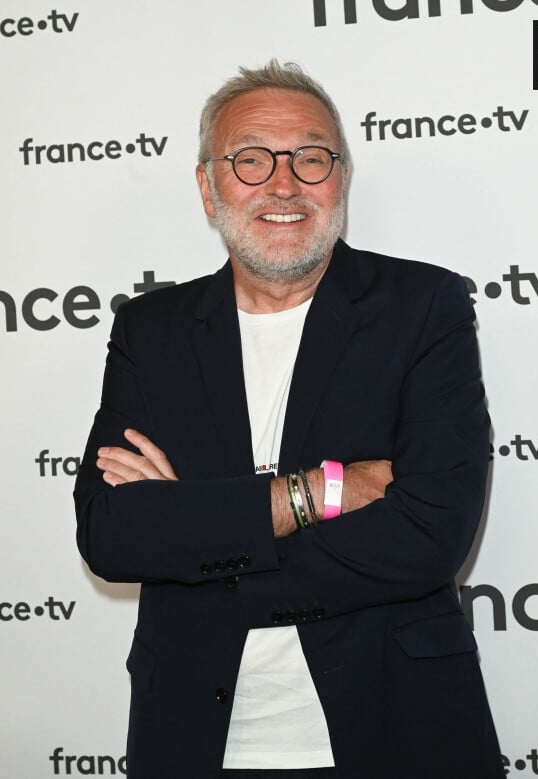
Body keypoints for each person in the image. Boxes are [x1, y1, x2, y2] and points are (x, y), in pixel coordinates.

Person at [74, 60, 505, 778]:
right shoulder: (152, 330)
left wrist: (195, 539)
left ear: (341, 178)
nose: (283, 183)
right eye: (250, 159)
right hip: (195, 738)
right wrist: (318, 493)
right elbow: (113, 533)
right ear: (209, 188)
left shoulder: (422, 306)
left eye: (311, 157)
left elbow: (430, 535)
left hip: (399, 729)